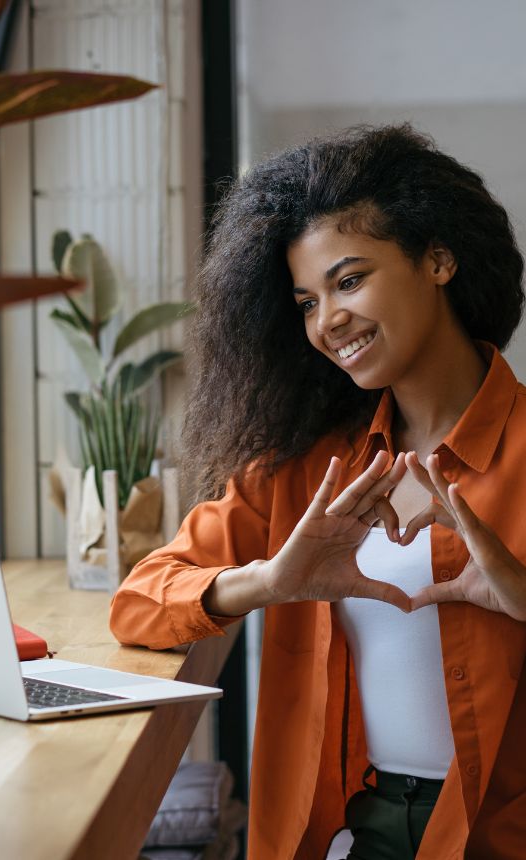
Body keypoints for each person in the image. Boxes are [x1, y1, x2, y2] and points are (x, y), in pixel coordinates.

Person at [109, 124, 526, 860]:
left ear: (439, 259)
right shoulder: (303, 466)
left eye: (349, 279)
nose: (328, 321)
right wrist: (268, 582)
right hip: (343, 833)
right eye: (305, 302)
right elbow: (140, 601)